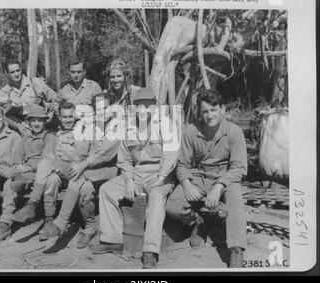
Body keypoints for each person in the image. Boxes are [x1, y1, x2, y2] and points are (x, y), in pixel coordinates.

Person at [90, 87, 179, 269]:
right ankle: (112, 239)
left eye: (147, 105)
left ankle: (150, 251)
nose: (143, 110)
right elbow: (124, 159)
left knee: (155, 197)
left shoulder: (166, 125)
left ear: (155, 107)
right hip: (137, 173)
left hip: (160, 174)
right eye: (139, 106)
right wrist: (129, 180)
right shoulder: (129, 127)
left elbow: (171, 156)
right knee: (106, 190)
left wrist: (161, 178)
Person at [165, 89, 248, 268]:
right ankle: (200, 221)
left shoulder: (234, 132)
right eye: (205, 111)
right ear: (200, 113)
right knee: (172, 206)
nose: (210, 115)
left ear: (222, 109)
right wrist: (187, 185)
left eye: (213, 110)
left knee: (235, 195)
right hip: (199, 175)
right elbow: (182, 164)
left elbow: (239, 167)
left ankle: (236, 249)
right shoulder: (191, 131)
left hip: (225, 177)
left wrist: (218, 187)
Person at [37, 93, 122, 248]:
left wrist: (83, 165)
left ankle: (62, 221)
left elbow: (105, 154)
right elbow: (82, 151)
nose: (102, 112)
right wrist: (78, 162)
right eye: (99, 109)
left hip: (112, 170)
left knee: (80, 175)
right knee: (84, 186)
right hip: (91, 170)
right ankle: (90, 226)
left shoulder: (117, 126)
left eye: (105, 108)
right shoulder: (92, 126)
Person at [10, 101, 90, 227]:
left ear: (75, 117)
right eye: (64, 117)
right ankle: (49, 220)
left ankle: (32, 204)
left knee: (45, 164)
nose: (67, 120)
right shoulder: (56, 134)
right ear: (59, 117)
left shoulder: (81, 132)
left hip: (76, 173)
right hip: (62, 174)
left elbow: (81, 157)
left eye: (70, 117)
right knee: (51, 179)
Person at [0, 104, 56, 244]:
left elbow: (46, 159)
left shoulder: (49, 137)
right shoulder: (26, 138)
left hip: (41, 173)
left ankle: (42, 220)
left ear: (45, 121)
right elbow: (17, 155)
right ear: (29, 122)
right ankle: (4, 225)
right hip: (25, 174)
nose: (36, 124)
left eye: (40, 120)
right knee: (9, 183)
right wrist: (18, 165)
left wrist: (28, 166)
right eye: (33, 120)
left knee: (11, 183)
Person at [0, 60, 57, 136]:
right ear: (7, 74)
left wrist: (50, 116)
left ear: (21, 70)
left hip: (37, 121)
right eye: (12, 72)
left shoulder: (34, 83)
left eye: (18, 70)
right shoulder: (7, 88)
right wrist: (9, 99)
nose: (16, 74)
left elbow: (56, 98)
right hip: (20, 123)